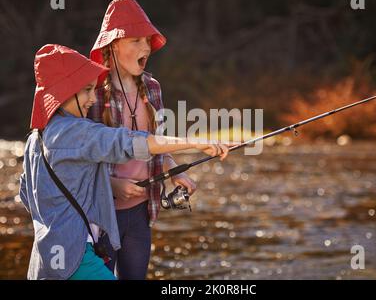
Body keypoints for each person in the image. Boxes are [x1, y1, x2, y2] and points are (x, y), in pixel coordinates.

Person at [19, 44, 230, 280]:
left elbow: (28, 194)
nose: (92, 98)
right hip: (76, 261)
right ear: (65, 93)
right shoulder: (76, 131)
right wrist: (193, 143)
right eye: (87, 90)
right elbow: (130, 142)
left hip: (44, 261)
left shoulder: (36, 137)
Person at [88, 0, 199, 279]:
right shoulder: (91, 92)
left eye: (148, 41)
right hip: (101, 215)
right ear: (113, 45)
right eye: (136, 41)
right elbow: (80, 155)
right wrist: (112, 184)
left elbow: (157, 144)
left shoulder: (153, 88)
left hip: (141, 212)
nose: (146, 47)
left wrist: (174, 171)